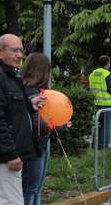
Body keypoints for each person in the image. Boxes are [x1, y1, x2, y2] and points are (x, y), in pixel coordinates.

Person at [0, 34, 46, 203]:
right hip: (6, 159)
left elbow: (11, 110)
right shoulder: (1, 76)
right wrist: (11, 154)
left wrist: (29, 105)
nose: (19, 55)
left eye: (21, 50)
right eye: (14, 50)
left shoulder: (11, 75)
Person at [20, 52, 72, 205]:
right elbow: (39, 123)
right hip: (33, 147)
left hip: (38, 145)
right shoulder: (33, 93)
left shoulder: (28, 90)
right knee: (31, 190)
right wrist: (61, 126)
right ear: (43, 71)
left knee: (35, 189)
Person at [89, 55, 111, 150]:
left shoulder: (93, 73)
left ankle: (94, 144)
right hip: (107, 104)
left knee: (97, 125)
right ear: (108, 63)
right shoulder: (107, 74)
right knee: (106, 126)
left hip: (96, 103)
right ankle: (104, 145)